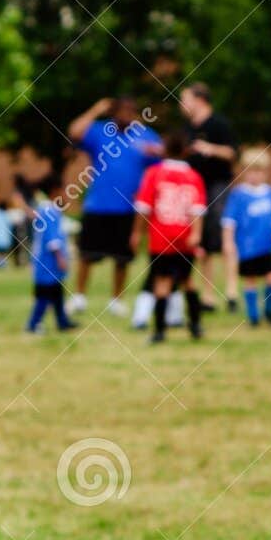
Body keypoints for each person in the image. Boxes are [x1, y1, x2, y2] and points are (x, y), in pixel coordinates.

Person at [67, 96, 162, 316]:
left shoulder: (145, 136)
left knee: (122, 258)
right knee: (87, 255)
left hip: (128, 208)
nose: (126, 116)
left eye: (131, 111)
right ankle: (79, 297)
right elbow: (74, 131)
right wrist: (96, 108)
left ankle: (116, 300)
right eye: (122, 111)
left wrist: (156, 153)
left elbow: (164, 158)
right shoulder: (101, 131)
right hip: (98, 205)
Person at [132, 132, 206, 343]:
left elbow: (143, 208)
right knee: (187, 281)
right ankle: (196, 325)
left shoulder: (154, 173)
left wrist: (137, 233)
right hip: (185, 238)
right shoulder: (194, 176)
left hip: (161, 238)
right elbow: (197, 210)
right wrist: (197, 234)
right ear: (186, 151)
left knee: (161, 283)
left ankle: (159, 331)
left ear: (164, 149)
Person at [178, 81, 237, 313]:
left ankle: (232, 292)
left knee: (223, 240)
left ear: (199, 100)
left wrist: (210, 149)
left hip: (218, 188)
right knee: (202, 244)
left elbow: (233, 152)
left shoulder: (219, 124)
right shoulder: (186, 129)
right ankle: (208, 296)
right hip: (194, 190)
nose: (181, 105)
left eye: (184, 99)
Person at [222, 148, 271, 328]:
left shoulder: (269, 193)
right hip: (247, 247)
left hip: (267, 246)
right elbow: (229, 221)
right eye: (250, 171)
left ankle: (270, 312)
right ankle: (253, 316)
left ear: (265, 173)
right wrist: (228, 242)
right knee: (250, 280)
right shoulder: (238, 194)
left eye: (258, 171)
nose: (254, 175)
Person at [26, 184, 74, 333]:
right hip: (47, 262)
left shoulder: (49, 210)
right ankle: (34, 324)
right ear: (55, 191)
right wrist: (60, 258)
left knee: (57, 292)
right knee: (44, 293)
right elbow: (52, 239)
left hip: (49, 262)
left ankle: (62, 321)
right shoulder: (49, 211)